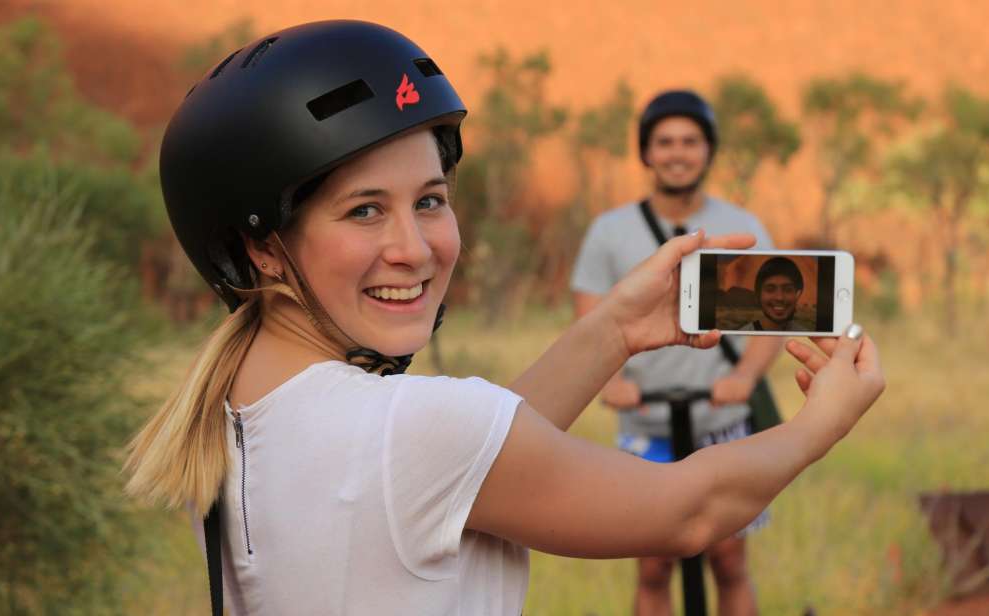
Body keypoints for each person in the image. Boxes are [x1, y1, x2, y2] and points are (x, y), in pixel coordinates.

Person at [124, 22, 885, 616]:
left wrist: (615, 328)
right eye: (364, 211)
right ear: (263, 246)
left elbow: (470, 461)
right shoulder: (408, 431)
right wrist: (819, 424)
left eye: (429, 199)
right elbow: (690, 511)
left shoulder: (231, 414)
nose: (414, 248)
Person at [571, 90, 786, 616]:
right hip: (647, 420)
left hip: (723, 418)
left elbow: (774, 318)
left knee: (730, 560)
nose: (677, 153)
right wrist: (608, 383)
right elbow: (589, 322)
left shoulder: (742, 227)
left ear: (708, 151)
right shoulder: (611, 231)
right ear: (646, 152)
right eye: (664, 142)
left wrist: (746, 376)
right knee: (653, 564)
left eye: (690, 141)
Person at [740, 257, 807, 332]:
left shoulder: (807, 337)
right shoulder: (741, 336)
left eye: (788, 290)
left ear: (797, 294)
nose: (779, 298)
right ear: (759, 294)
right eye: (770, 290)